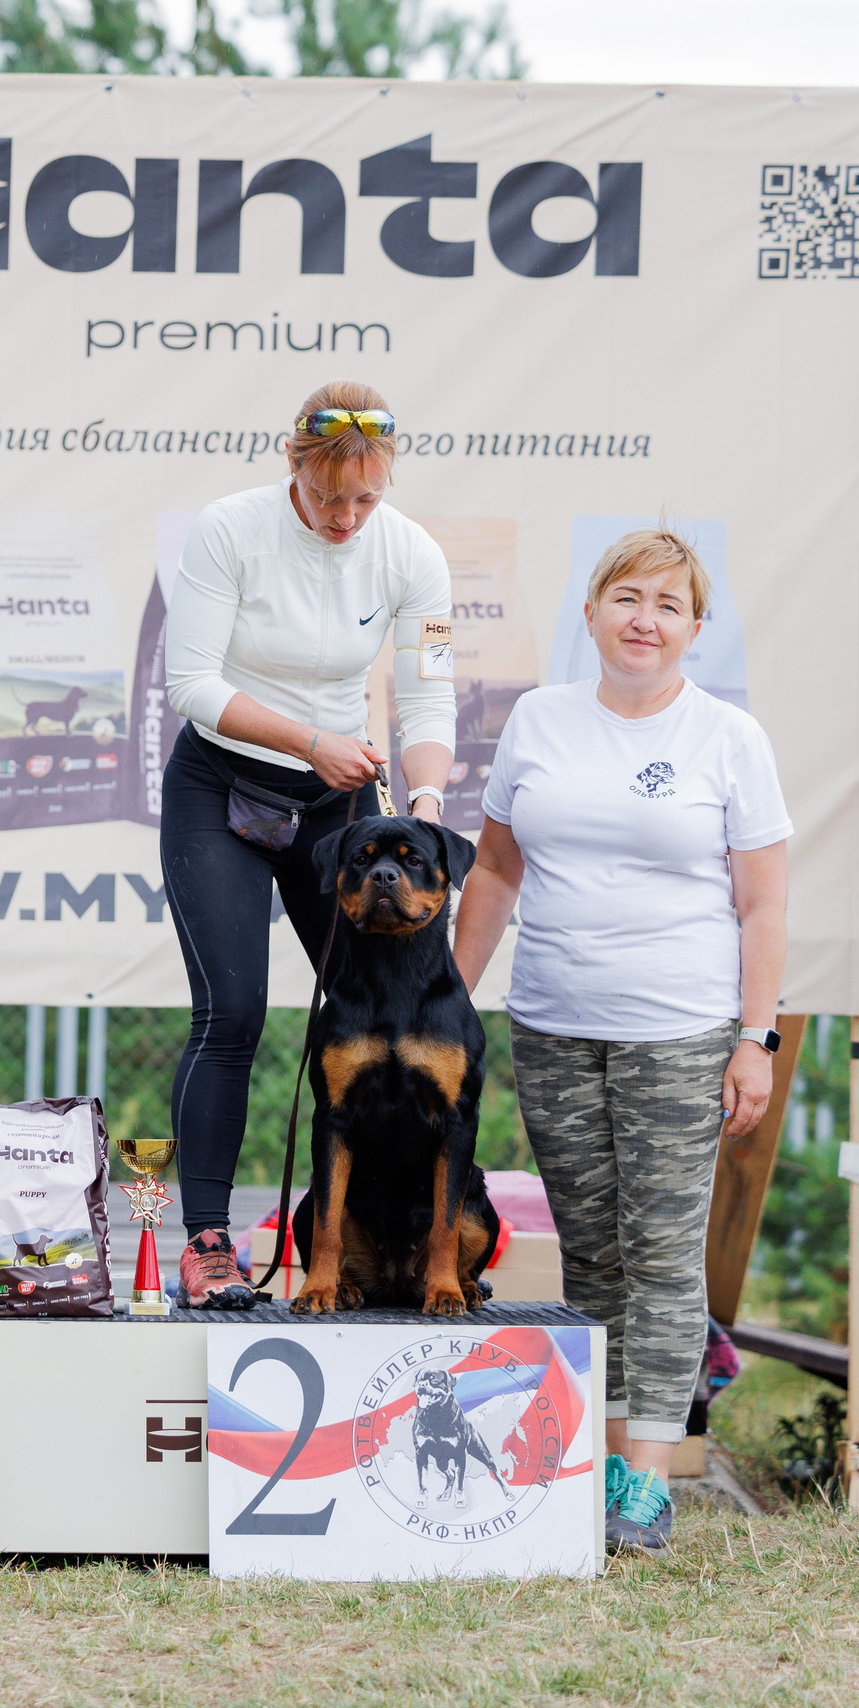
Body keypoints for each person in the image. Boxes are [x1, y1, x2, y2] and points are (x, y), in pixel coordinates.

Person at [453, 527, 787, 1554]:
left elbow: (763, 903)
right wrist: (447, 1004)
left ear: (694, 627)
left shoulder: (727, 738)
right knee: (590, 1257)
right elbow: (496, 874)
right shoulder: (538, 722)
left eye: (668, 605)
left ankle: (646, 1480)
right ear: (591, 611)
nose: (644, 619)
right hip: (552, 1025)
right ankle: (594, 1462)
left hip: (678, 1034)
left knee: (661, 1252)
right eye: (626, 597)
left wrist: (755, 1038)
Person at [160, 381, 456, 1308]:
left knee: (393, 1013)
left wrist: (427, 797)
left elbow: (428, 695)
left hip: (342, 804)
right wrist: (311, 742)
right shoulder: (229, 528)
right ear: (295, 463)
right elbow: (192, 684)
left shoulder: (412, 553)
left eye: (366, 500)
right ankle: (209, 1242)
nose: (346, 517)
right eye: (330, 497)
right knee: (233, 1013)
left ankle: (390, 1236)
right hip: (225, 782)